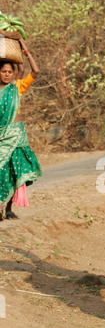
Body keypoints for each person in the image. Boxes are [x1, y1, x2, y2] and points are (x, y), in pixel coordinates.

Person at [0, 38, 42, 221]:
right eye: (3, 71)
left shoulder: (17, 87)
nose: (7, 74)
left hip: (16, 134)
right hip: (2, 136)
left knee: (13, 170)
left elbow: (35, 71)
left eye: (10, 71)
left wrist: (23, 48)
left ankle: (7, 209)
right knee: (1, 170)